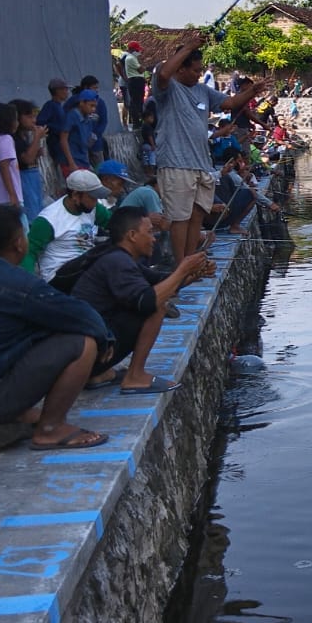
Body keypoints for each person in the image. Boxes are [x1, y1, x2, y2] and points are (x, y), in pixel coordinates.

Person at [0, 205, 111, 452]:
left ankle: (2, 421)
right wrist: (106, 339)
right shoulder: (18, 284)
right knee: (83, 343)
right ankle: (51, 429)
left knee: (46, 331)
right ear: (19, 243)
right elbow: (84, 317)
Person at [151, 29, 268, 261]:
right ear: (181, 69)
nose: (198, 74)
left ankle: (191, 259)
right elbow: (163, 74)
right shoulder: (168, 88)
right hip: (176, 165)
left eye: (200, 70)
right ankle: (180, 266)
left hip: (201, 164)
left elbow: (230, 103)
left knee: (197, 215)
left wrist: (253, 91)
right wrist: (188, 46)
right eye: (194, 70)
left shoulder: (202, 90)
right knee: (180, 217)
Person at [72, 206, 210, 396]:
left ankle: (99, 374)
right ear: (132, 235)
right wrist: (183, 269)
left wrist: (194, 274)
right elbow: (147, 302)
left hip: (95, 348)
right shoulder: (117, 262)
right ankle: (134, 376)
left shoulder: (118, 256)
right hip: (92, 351)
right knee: (158, 307)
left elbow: (161, 281)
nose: (154, 238)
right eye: (149, 232)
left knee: (157, 297)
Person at [25, 169, 112, 281]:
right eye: (92, 197)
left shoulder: (93, 208)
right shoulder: (48, 220)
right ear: (76, 195)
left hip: (85, 265)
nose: (95, 202)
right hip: (59, 273)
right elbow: (29, 252)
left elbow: (114, 223)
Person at [10, 99, 46, 220]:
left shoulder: (22, 136)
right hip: (24, 180)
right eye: (30, 117)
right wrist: (37, 137)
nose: (34, 121)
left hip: (31, 179)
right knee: (31, 215)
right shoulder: (13, 138)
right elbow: (27, 159)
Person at [37, 78, 77, 174]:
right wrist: (56, 129)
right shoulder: (50, 106)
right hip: (55, 145)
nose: (67, 92)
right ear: (57, 90)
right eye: (65, 89)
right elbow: (40, 122)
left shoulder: (59, 107)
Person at [79, 76, 110, 166]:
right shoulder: (76, 102)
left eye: (97, 88)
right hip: (80, 145)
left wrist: (95, 135)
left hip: (96, 143)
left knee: (99, 167)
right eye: (94, 88)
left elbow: (103, 121)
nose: (97, 90)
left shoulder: (100, 103)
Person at [66, 90, 99, 170]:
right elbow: (63, 140)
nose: (93, 109)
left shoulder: (88, 119)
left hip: (83, 160)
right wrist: (71, 163)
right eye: (91, 106)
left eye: (95, 106)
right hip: (73, 161)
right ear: (81, 103)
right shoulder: (72, 116)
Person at [120, 42, 146, 132]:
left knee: (138, 101)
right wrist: (142, 63)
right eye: (137, 50)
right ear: (132, 50)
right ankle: (136, 122)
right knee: (136, 102)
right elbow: (141, 69)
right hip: (136, 80)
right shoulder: (131, 58)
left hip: (136, 80)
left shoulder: (132, 58)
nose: (138, 51)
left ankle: (137, 121)